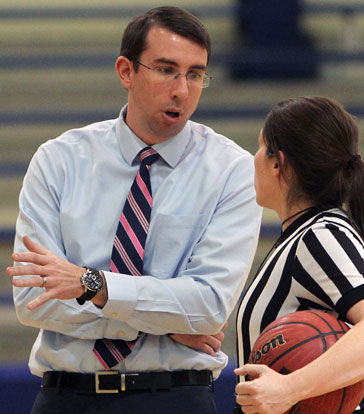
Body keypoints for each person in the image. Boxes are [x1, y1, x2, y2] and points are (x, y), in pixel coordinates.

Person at [6, 6, 262, 414]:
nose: (182, 89)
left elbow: (208, 306)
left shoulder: (232, 170)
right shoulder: (58, 160)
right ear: (126, 71)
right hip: (64, 398)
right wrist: (166, 326)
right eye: (166, 70)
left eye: (195, 74)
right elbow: (36, 298)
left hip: (176, 398)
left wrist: (92, 285)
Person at [234, 96, 364, 414]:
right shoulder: (302, 235)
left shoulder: (321, 234)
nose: (254, 157)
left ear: (278, 163)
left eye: (260, 146)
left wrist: (291, 388)